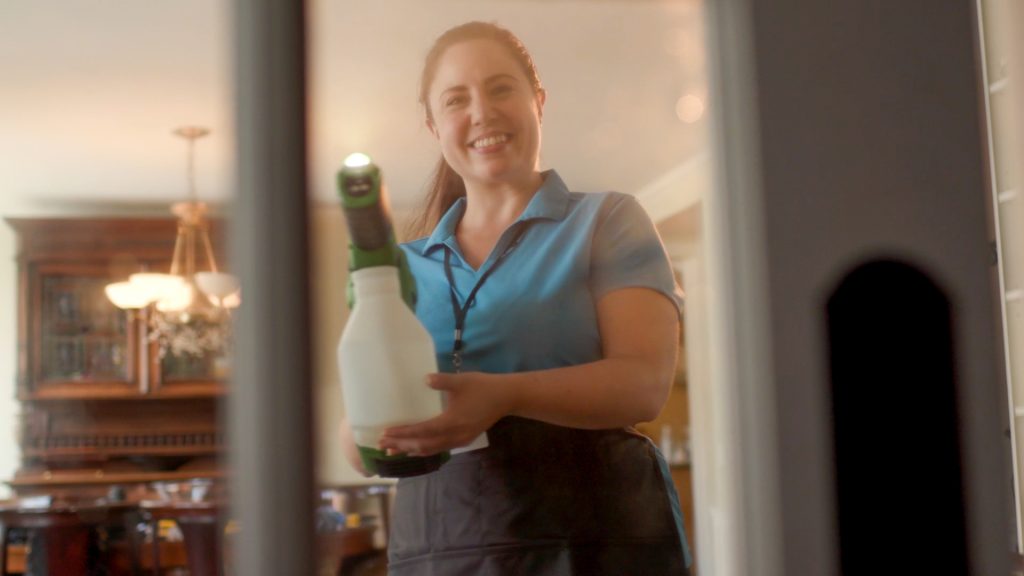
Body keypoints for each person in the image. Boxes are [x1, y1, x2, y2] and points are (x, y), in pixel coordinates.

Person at [341, 21, 692, 575]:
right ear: (434, 126)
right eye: (457, 99)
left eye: (501, 87)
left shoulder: (606, 220)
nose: (481, 112)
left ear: (539, 101)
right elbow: (359, 434)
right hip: (439, 545)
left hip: (596, 541)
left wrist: (501, 395)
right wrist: (368, 432)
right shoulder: (398, 268)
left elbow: (643, 385)